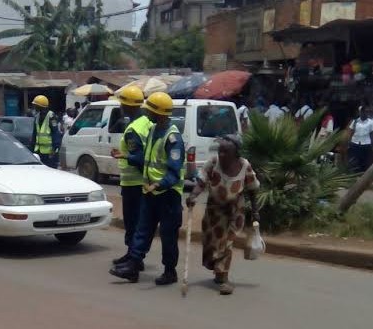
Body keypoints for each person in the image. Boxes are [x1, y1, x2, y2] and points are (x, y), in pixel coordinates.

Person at [109, 92, 185, 286]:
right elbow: (146, 160)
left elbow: (174, 172)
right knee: (142, 230)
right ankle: (133, 266)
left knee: (168, 236)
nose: (146, 112)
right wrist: (126, 157)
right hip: (149, 191)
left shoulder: (172, 138)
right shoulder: (152, 131)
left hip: (167, 195)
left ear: (160, 114)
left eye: (150, 110)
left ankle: (170, 271)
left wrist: (161, 183)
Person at [185, 135, 260, 295]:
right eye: (220, 151)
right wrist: (193, 196)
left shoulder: (244, 165)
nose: (222, 154)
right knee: (212, 244)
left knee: (227, 243)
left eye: (226, 152)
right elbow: (201, 182)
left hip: (235, 211)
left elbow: (253, 189)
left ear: (235, 154)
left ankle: (223, 278)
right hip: (214, 212)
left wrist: (255, 211)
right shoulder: (213, 163)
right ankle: (217, 269)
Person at [109, 86, 152, 269]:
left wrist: (123, 155)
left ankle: (134, 259)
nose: (121, 107)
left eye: (122, 104)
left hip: (134, 182)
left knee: (132, 221)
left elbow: (140, 158)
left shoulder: (133, 129)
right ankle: (132, 256)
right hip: (141, 181)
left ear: (127, 106)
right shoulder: (146, 123)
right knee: (137, 221)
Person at [31, 95, 61, 168]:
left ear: (41, 106)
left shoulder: (51, 116)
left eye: (36, 105)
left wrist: (55, 149)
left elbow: (56, 133)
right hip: (38, 151)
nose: (34, 107)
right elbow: (35, 134)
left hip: (49, 153)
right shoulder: (37, 116)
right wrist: (32, 148)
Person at [348, 107, 373, 173]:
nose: (364, 113)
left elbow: (371, 134)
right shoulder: (355, 121)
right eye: (362, 112)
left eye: (365, 112)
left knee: (365, 162)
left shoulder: (371, 122)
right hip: (355, 144)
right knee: (354, 162)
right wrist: (349, 143)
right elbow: (350, 132)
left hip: (366, 144)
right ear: (359, 112)